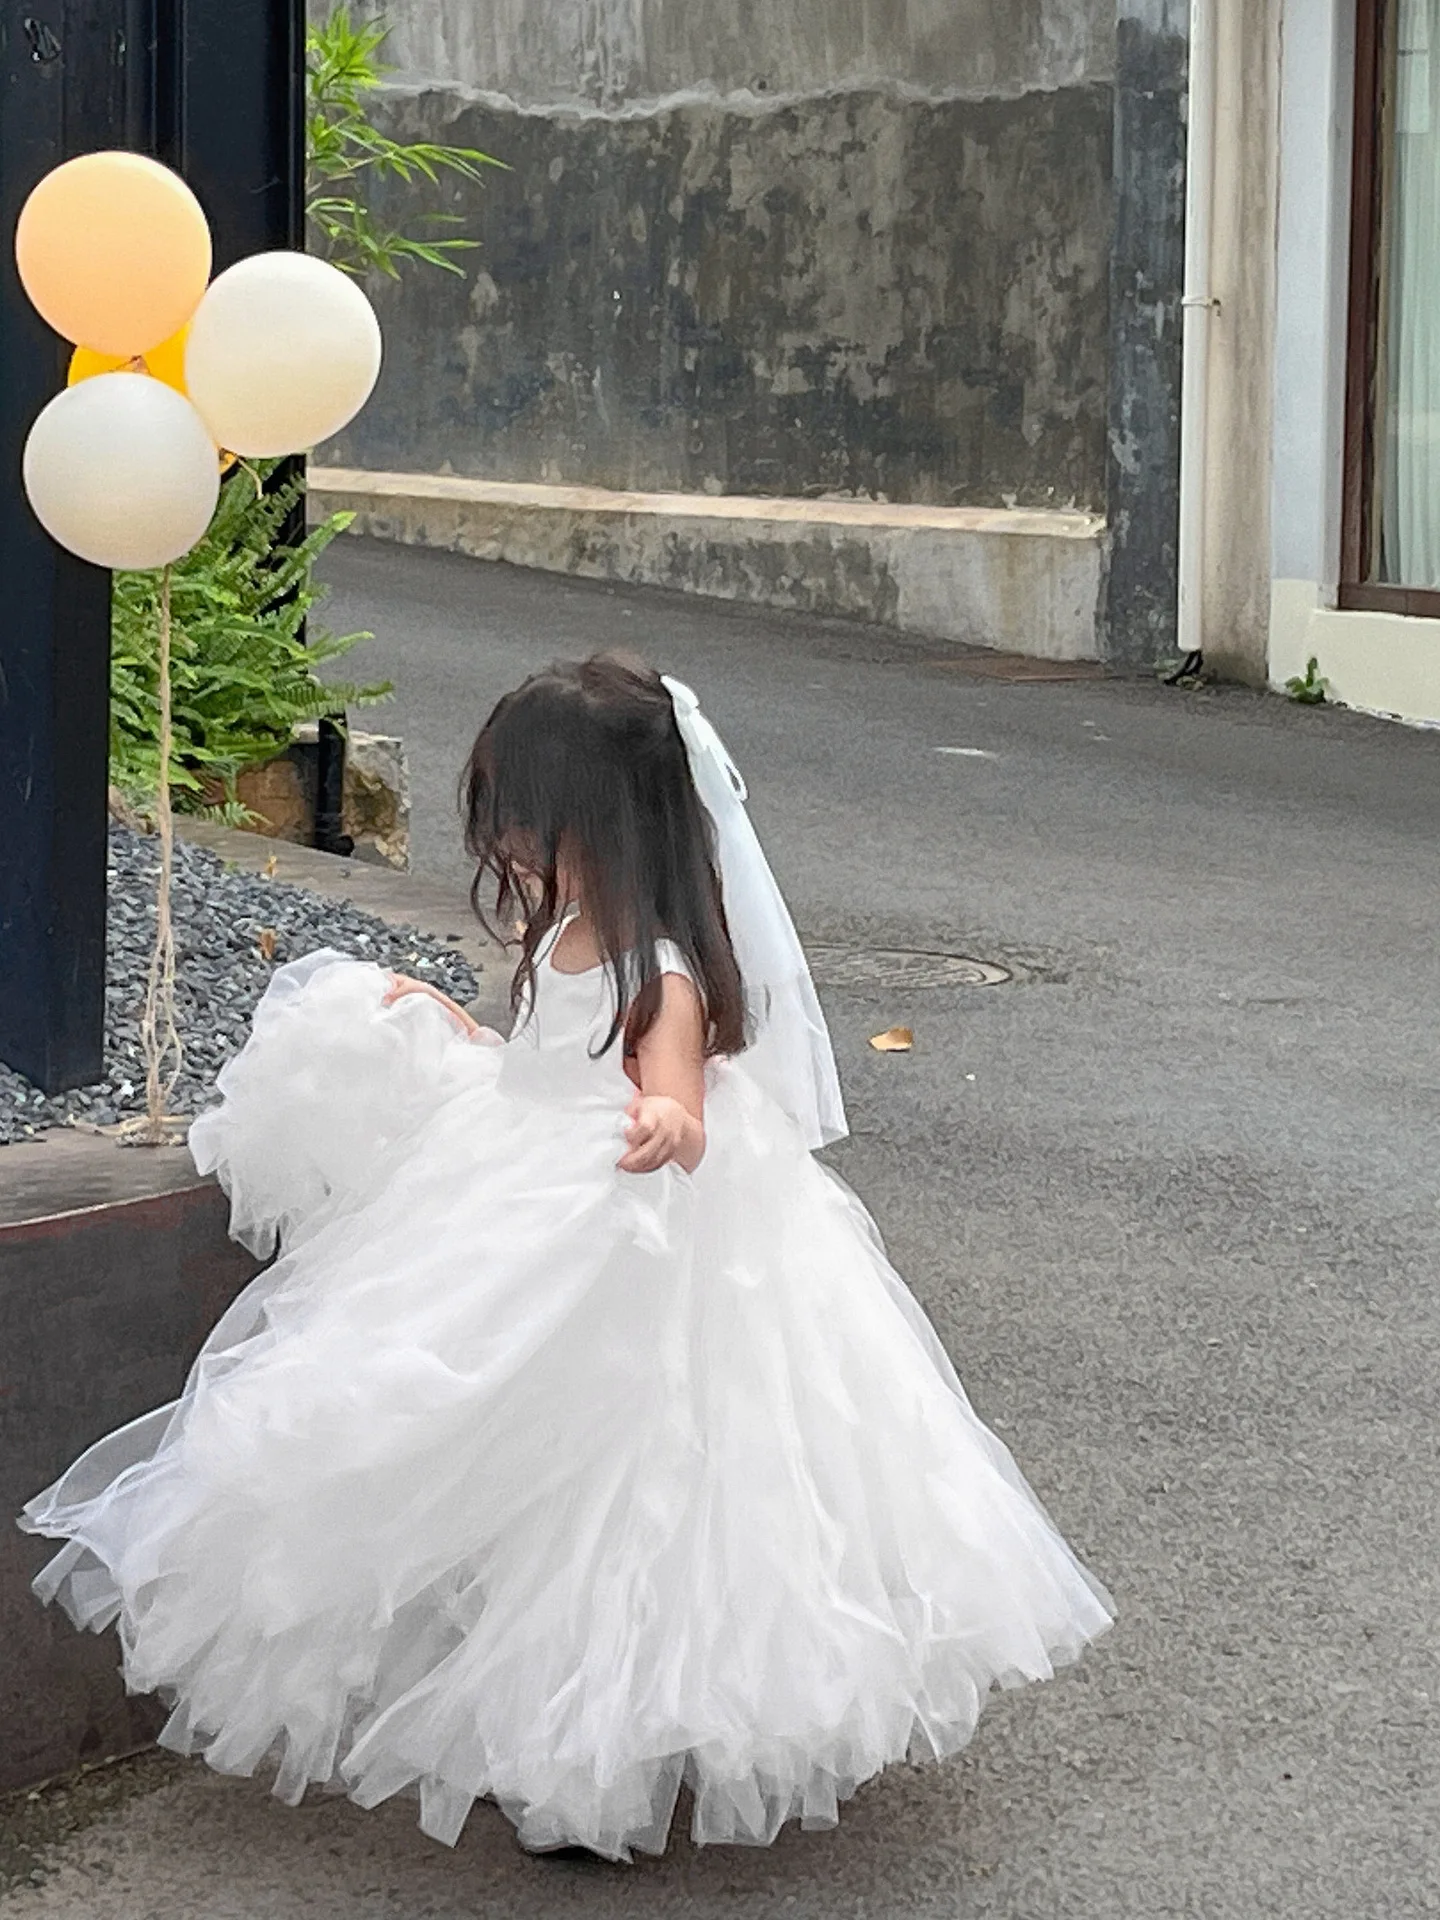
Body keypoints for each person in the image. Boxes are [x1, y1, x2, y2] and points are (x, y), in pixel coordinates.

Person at [20, 653, 1113, 1862]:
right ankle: (523, 1713)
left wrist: (663, 1121)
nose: (519, 853)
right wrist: (456, 1034)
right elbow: (538, 1057)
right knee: (491, 1462)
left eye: (535, 825)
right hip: (509, 1188)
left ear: (614, 823)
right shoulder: (569, 937)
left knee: (631, 1503)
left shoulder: (667, 972)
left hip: (623, 1237)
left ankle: (595, 1754)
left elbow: (680, 1105)